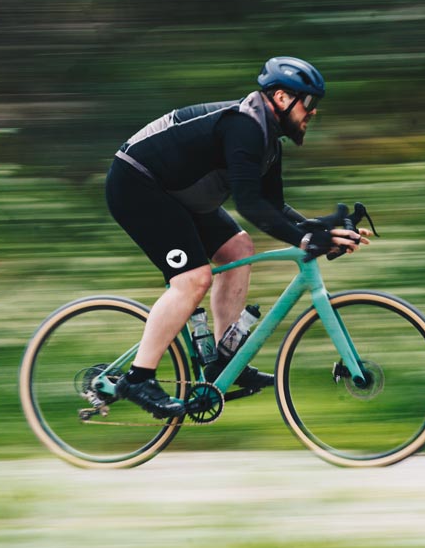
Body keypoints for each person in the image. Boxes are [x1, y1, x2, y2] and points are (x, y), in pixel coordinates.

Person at [105, 56, 371, 418]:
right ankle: (138, 378)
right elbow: (248, 203)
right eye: (308, 103)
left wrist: (320, 228)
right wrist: (306, 242)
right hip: (137, 184)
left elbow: (272, 205)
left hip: (176, 192)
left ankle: (220, 361)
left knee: (239, 249)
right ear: (281, 98)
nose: (312, 113)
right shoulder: (245, 127)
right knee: (192, 279)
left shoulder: (268, 139)